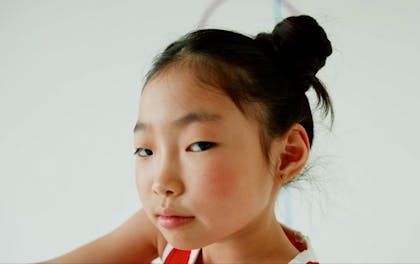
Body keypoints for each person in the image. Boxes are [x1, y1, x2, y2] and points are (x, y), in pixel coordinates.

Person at [44, 14, 332, 264]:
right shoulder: (162, 233)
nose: (161, 183)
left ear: (287, 155)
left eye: (198, 145)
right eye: (145, 150)